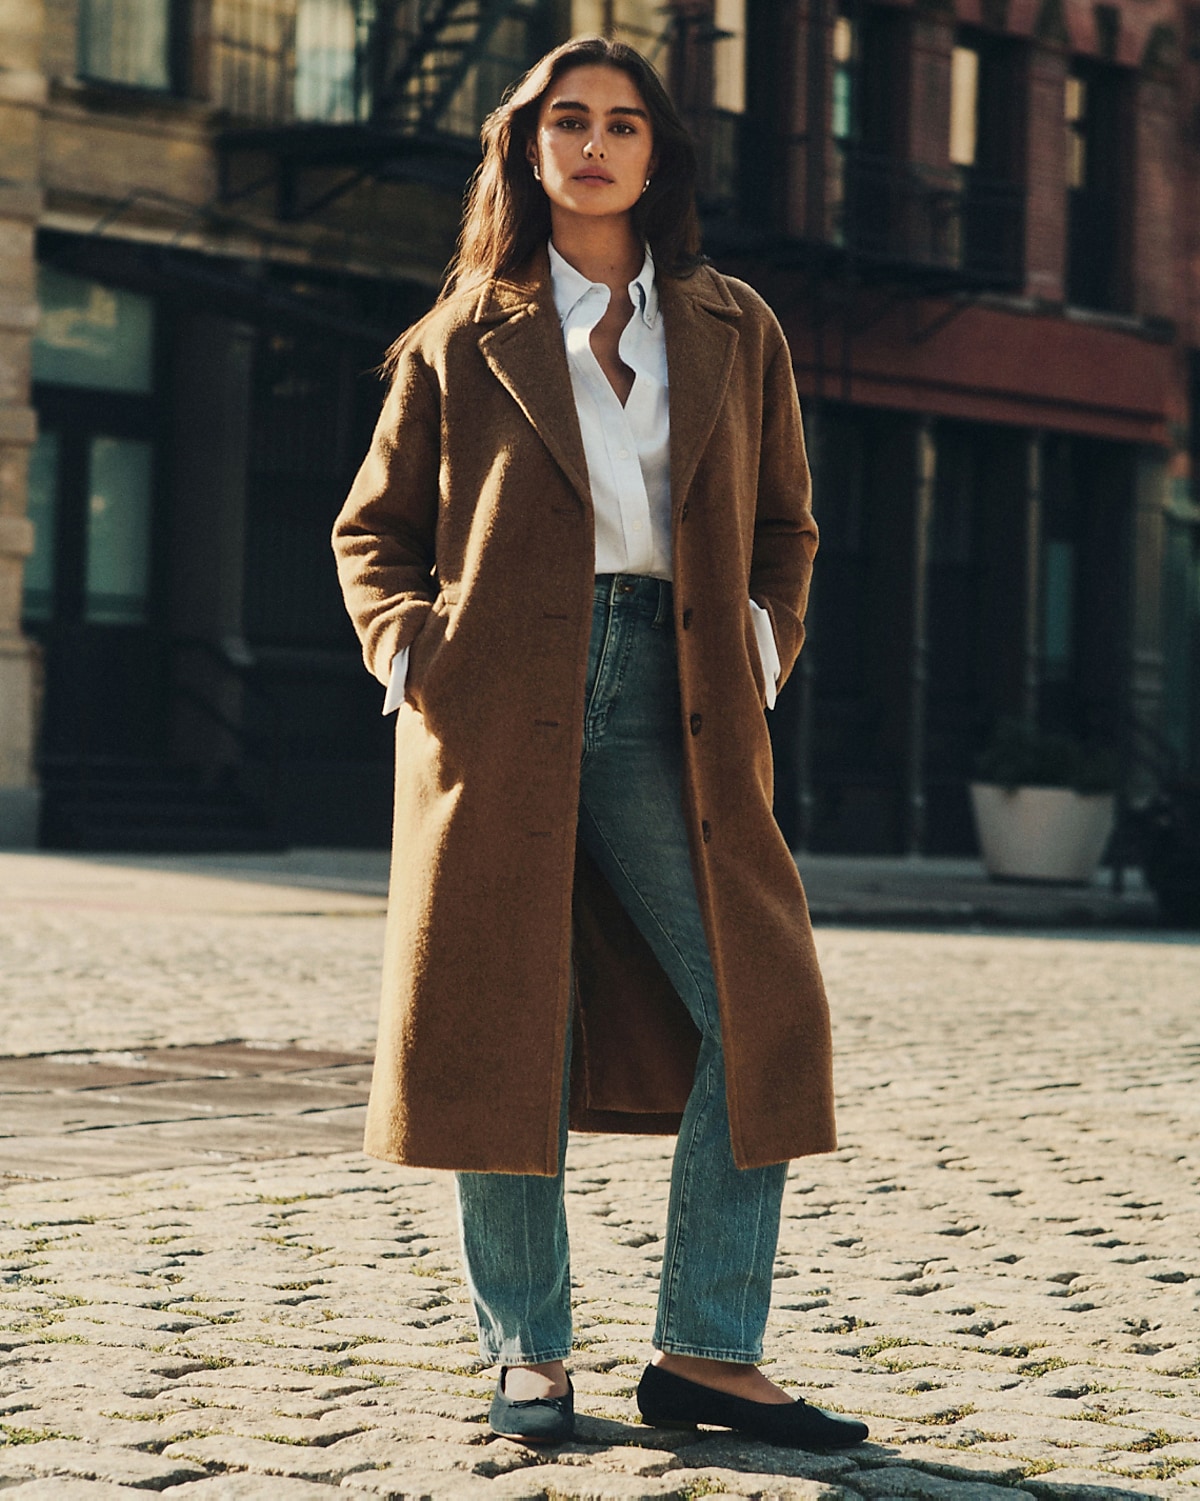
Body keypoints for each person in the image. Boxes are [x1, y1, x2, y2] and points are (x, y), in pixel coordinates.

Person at [332, 34, 867, 1453]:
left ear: (656, 154)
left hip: (678, 696)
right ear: (527, 147)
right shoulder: (467, 330)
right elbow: (372, 532)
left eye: (621, 124)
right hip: (499, 704)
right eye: (566, 121)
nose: (593, 145)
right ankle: (530, 1353)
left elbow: (787, 525)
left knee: (761, 1006)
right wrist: (413, 654)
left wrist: (761, 641)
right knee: (506, 1024)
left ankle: (707, 1349)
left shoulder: (735, 323)